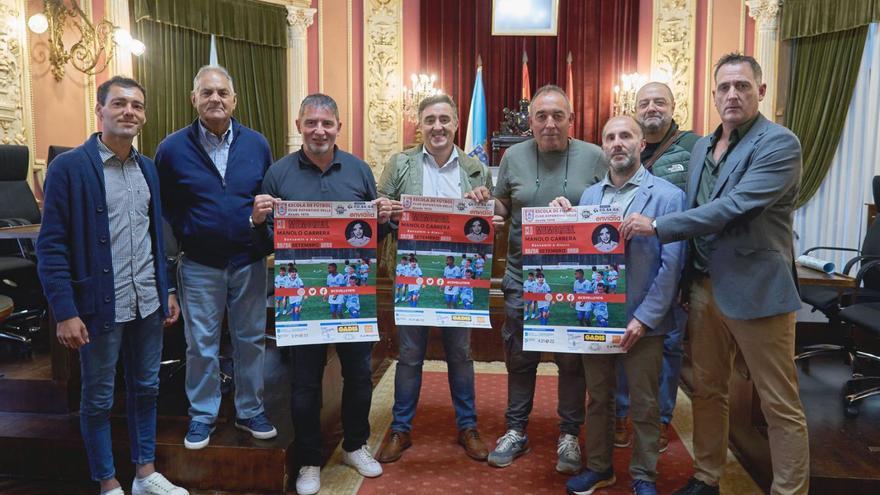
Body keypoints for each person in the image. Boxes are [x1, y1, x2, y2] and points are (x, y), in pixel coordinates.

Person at [622, 53, 809, 495]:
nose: (732, 95)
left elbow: (734, 206)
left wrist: (659, 226)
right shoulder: (704, 147)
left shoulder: (779, 144)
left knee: (778, 403)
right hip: (704, 290)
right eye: (724, 87)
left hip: (757, 290)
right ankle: (707, 477)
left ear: (760, 92)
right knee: (707, 390)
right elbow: (691, 206)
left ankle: (789, 490)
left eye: (742, 86)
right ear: (712, 95)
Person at [37, 76, 188, 495]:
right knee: (99, 399)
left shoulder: (148, 169)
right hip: (97, 308)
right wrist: (64, 311)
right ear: (99, 110)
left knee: (147, 389)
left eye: (137, 106)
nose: (129, 112)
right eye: (119, 104)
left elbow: (155, 237)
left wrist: (167, 289)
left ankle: (144, 474)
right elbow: (51, 248)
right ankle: (107, 482)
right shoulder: (68, 168)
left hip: (147, 303)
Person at [251, 93, 395, 495]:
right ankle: (309, 460)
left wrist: (382, 220)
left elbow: (371, 234)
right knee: (305, 383)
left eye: (327, 124)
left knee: (359, 375)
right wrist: (259, 218)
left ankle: (354, 445)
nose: (319, 131)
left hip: (352, 293)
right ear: (299, 125)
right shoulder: (278, 174)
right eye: (311, 123)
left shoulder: (360, 171)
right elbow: (266, 239)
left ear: (338, 128)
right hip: (302, 299)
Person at [472, 84, 607, 473]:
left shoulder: (594, 156)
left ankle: (568, 434)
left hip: (572, 280)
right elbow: (503, 206)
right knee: (520, 358)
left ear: (571, 120)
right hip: (521, 278)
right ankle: (516, 429)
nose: (549, 124)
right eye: (541, 116)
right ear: (530, 122)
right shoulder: (513, 156)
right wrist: (484, 201)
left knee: (571, 362)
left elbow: (608, 209)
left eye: (558, 116)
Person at [558, 115, 686, 495]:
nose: (617, 143)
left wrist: (645, 319)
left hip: (642, 322)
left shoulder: (667, 196)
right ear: (603, 147)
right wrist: (561, 219)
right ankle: (599, 467)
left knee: (645, 404)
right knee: (598, 398)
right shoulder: (590, 196)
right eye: (610, 137)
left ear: (640, 143)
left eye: (625, 135)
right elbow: (580, 256)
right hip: (597, 318)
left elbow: (672, 265)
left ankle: (644, 475)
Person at [156, 65, 276, 450]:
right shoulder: (171, 148)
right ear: (194, 99)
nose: (215, 99)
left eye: (222, 93)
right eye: (206, 93)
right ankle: (203, 415)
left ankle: (249, 410)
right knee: (201, 345)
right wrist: (169, 273)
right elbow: (164, 214)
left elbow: (267, 202)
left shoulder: (257, 144)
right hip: (199, 265)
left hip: (249, 262)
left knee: (251, 340)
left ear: (234, 100)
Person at [376, 94, 493, 463]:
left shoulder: (476, 168)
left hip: (460, 280)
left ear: (457, 123)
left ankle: (468, 426)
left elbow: (483, 218)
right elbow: (379, 207)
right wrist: (387, 210)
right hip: (413, 277)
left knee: (460, 353)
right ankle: (401, 429)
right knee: (409, 355)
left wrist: (482, 202)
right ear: (419, 125)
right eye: (430, 120)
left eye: (444, 119)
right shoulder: (401, 163)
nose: (437, 127)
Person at [615, 82, 701, 453]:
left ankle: (661, 420)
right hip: (628, 270)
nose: (652, 108)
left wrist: (689, 276)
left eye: (659, 102)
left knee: (668, 346)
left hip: (674, 266)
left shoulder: (696, 148)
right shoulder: (624, 147)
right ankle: (621, 413)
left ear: (672, 106)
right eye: (644, 102)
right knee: (621, 342)